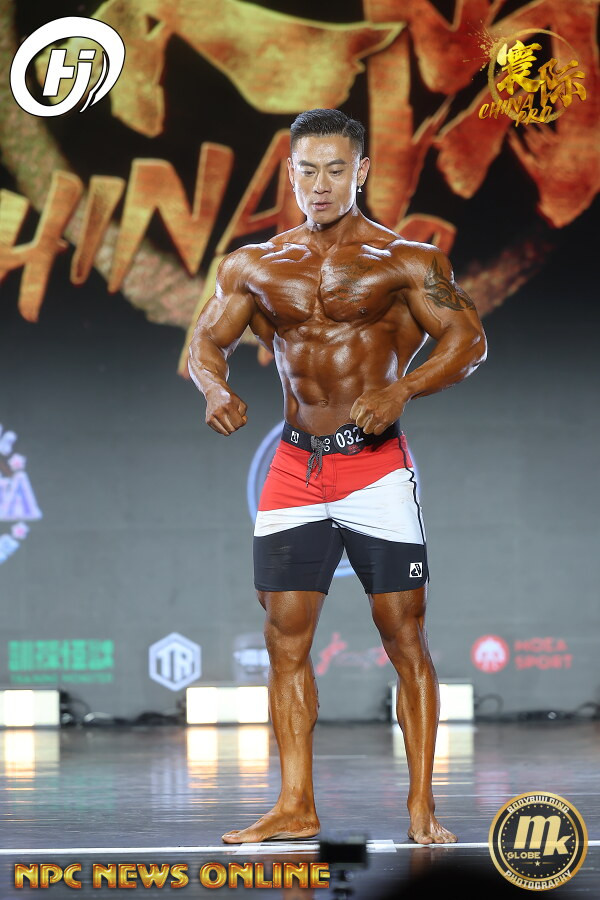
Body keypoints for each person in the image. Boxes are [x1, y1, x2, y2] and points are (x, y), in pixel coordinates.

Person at [187, 108, 487, 845]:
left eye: (334, 170)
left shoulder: (407, 260)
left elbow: (468, 341)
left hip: (374, 468)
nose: (319, 185)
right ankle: (295, 805)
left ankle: (421, 807)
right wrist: (214, 387)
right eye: (306, 171)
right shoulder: (255, 264)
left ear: (361, 172)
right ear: (289, 175)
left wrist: (403, 389)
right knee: (283, 638)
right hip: (295, 467)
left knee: (404, 635)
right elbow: (206, 342)